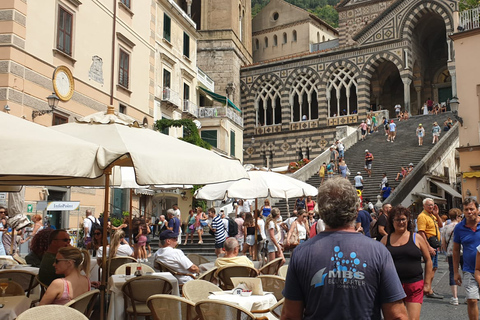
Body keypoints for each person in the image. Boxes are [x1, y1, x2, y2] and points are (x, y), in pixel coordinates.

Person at [281, 178, 408, 320]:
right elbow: (397, 315)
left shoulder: (301, 253)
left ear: (321, 212)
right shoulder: (378, 252)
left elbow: (290, 315)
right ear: (355, 211)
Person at [381, 206, 433, 320]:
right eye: (397, 220)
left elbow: (428, 260)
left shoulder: (417, 238)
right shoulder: (385, 240)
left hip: (414, 284)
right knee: (395, 317)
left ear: (408, 220)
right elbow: (379, 263)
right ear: (392, 221)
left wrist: (427, 283)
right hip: (392, 285)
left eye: (403, 219)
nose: (401, 222)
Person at [454, 198, 480, 320]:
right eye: (466, 210)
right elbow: (455, 250)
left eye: (472, 209)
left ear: (477, 210)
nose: (469, 212)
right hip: (469, 269)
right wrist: (455, 272)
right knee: (472, 300)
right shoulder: (459, 228)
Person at [417, 198, 444, 299]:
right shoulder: (422, 216)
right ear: (424, 206)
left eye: (432, 205)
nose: (431, 207)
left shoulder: (432, 216)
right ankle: (427, 289)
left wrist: (437, 214)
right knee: (430, 267)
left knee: (434, 267)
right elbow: (421, 232)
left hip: (435, 244)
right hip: (429, 244)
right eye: (429, 205)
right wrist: (428, 247)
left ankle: (429, 288)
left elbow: (441, 225)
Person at [441, 208, 463, 305]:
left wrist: (446, 251)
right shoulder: (462, 226)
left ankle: (455, 298)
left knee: (452, 272)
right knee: (466, 272)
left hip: (451, 253)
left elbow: (443, 243)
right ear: (458, 216)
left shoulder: (446, 227)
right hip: (463, 252)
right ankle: (468, 296)